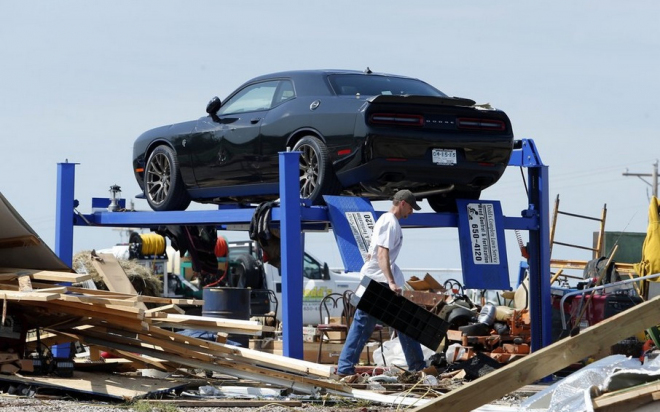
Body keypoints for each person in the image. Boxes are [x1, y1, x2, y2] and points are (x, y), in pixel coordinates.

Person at [337, 189, 426, 379]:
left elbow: (377, 252)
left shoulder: (387, 221)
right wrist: (392, 282)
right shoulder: (390, 222)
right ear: (402, 203)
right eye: (411, 207)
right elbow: (382, 253)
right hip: (378, 284)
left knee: (394, 323)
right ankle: (417, 367)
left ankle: (417, 367)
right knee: (371, 324)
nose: (411, 212)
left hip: (376, 282)